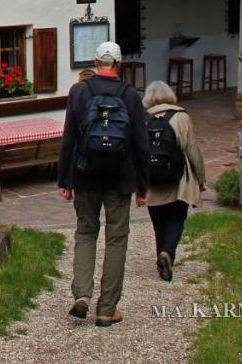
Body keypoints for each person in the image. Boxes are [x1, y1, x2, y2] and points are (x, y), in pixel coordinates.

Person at [57, 41, 150, 327]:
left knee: (86, 232)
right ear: (119, 65)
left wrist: (65, 179)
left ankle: (82, 294)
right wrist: (143, 186)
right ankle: (107, 308)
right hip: (119, 178)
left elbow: (69, 138)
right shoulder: (131, 96)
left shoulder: (78, 92)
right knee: (116, 238)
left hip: (85, 175)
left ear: (96, 62)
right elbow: (141, 145)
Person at [142, 80, 208, 282]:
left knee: (158, 220)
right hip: (179, 177)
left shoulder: (143, 118)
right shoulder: (181, 117)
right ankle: (168, 253)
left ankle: (160, 254)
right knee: (177, 216)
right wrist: (201, 177)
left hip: (152, 177)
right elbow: (192, 150)